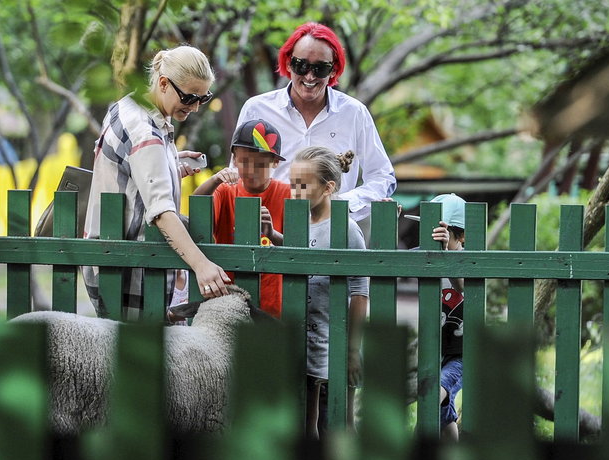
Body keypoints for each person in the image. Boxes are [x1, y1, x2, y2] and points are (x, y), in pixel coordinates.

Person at [82, 45, 230, 320]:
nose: (195, 107)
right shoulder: (145, 132)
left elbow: (127, 169)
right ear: (164, 83)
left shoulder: (129, 105)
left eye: (203, 98)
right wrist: (201, 265)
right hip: (129, 269)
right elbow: (161, 212)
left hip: (110, 258)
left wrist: (169, 164)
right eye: (189, 97)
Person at [236, 22, 396, 243]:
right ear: (288, 63)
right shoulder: (257, 109)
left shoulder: (354, 113)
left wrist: (342, 204)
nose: (310, 77)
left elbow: (382, 176)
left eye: (320, 68)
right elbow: (237, 172)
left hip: (332, 235)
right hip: (266, 234)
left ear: (333, 70)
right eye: (301, 65)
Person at [289, 146, 369, 460]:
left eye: (303, 185)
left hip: (332, 342)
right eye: (292, 183)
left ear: (329, 187)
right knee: (307, 427)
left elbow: (359, 293)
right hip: (302, 340)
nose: (294, 191)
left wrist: (351, 349)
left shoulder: (346, 229)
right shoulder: (299, 223)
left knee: (336, 425)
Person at [407, 192, 466, 460]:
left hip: (459, 356)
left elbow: (465, 286)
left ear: (460, 237)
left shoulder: (468, 260)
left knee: (432, 399)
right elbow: (388, 261)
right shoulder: (423, 257)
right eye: (434, 231)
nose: (440, 238)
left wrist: (452, 256)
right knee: (447, 426)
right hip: (433, 354)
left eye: (448, 233)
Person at [192, 118, 289, 317]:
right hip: (228, 301)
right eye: (245, 162)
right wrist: (215, 179)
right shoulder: (225, 192)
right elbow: (197, 208)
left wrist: (272, 234)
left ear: (275, 162)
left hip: (274, 305)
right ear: (234, 159)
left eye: (261, 164)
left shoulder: (288, 195)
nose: (252, 170)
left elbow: (300, 248)